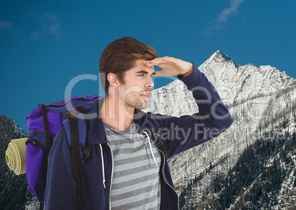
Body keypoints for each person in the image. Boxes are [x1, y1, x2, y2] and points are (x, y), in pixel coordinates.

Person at [44, 36, 233, 209]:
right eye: (141, 74)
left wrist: (188, 72)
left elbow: (218, 121)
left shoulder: (155, 131)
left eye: (151, 76)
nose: (150, 84)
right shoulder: (75, 138)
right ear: (114, 79)